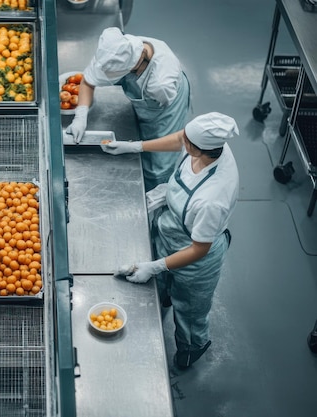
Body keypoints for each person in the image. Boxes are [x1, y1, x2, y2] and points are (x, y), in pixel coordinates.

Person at [105, 112, 239, 369]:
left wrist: (154, 266)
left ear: (199, 150)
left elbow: (199, 249)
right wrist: (134, 147)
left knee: (189, 310)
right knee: (166, 284)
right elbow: (180, 139)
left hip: (195, 257)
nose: (183, 142)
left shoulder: (213, 198)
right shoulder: (211, 146)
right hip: (171, 228)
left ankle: (192, 347)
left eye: (188, 142)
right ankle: (166, 291)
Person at [66, 27, 190, 191]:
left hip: (164, 110)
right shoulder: (120, 46)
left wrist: (136, 147)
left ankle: (154, 197)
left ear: (134, 67)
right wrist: (80, 117)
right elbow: (88, 81)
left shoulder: (160, 84)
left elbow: (177, 141)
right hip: (145, 91)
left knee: (157, 167)